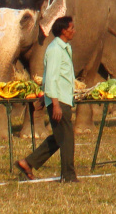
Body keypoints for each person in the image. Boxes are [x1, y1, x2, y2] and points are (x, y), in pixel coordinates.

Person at [15, 16, 77, 182]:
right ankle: (68, 176)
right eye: (71, 28)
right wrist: (54, 104)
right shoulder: (55, 49)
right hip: (59, 101)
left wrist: (45, 98)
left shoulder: (65, 48)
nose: (74, 31)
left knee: (59, 137)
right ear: (63, 31)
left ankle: (28, 163)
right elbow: (50, 78)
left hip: (62, 98)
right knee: (67, 139)